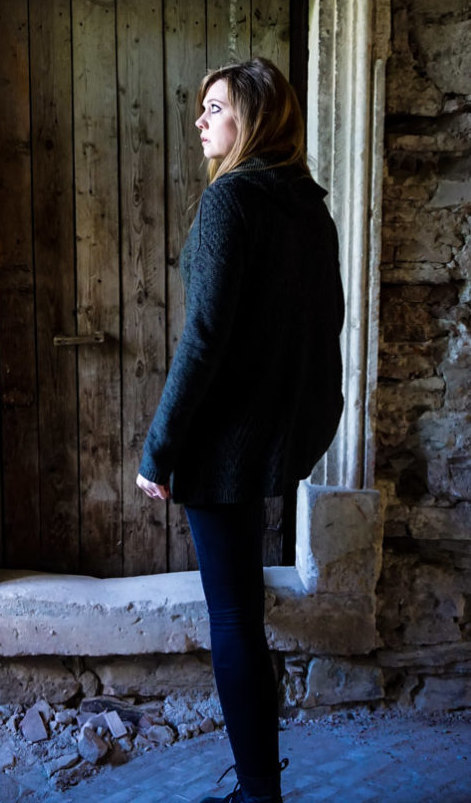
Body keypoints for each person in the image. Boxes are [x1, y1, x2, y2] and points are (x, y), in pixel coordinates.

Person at [136, 57, 345, 803]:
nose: (201, 120)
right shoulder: (307, 204)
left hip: (222, 438)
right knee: (244, 615)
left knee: (233, 618)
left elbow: (204, 338)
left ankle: (258, 793)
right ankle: (261, 782)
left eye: (215, 106)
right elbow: (328, 329)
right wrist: (305, 427)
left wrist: (159, 449)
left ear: (252, 118)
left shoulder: (233, 200)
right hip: (273, 437)